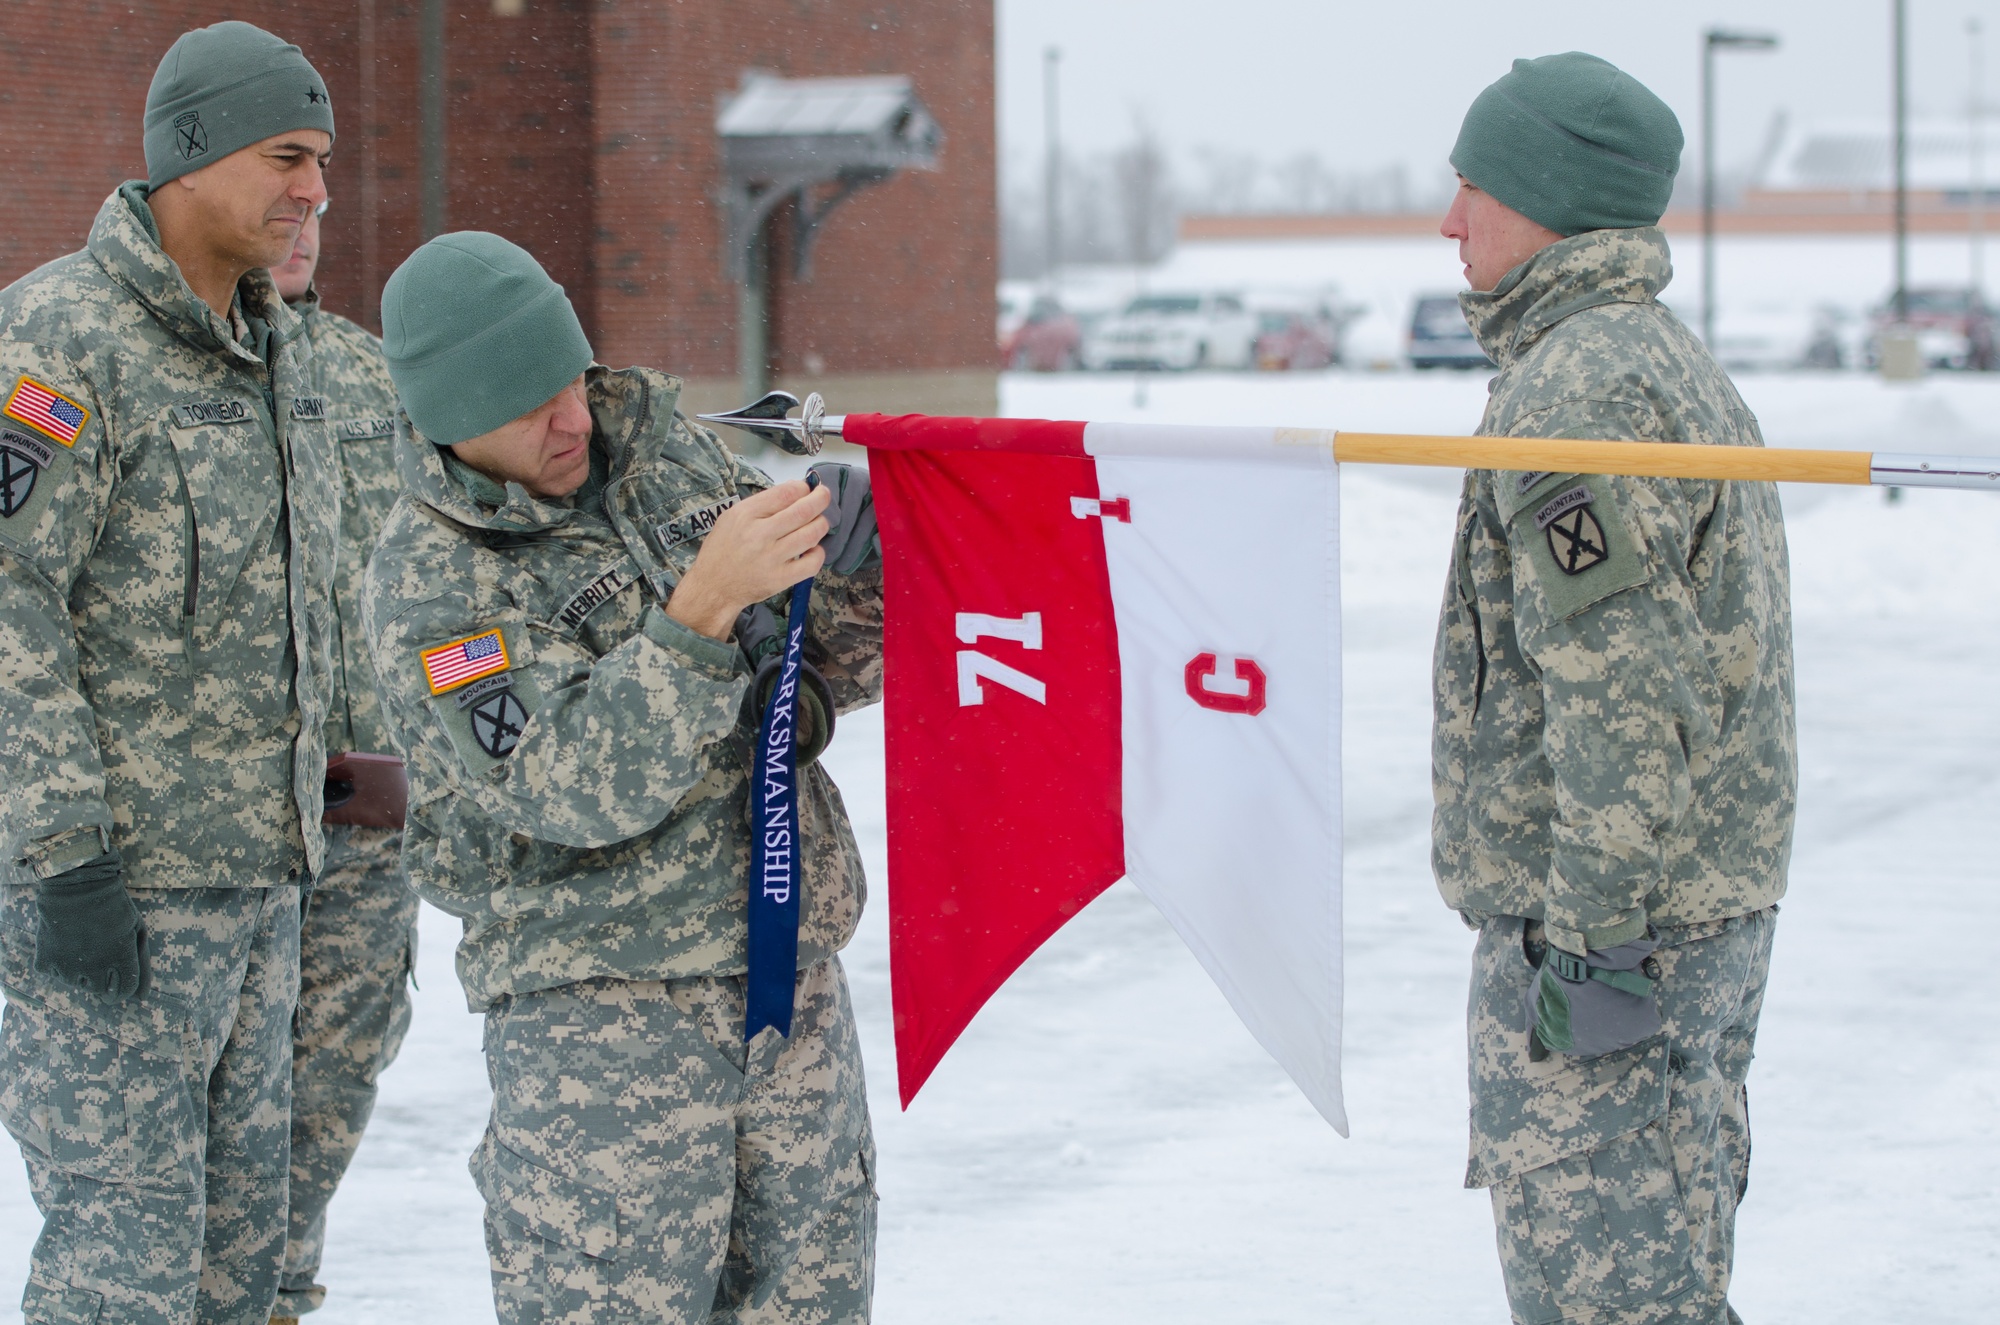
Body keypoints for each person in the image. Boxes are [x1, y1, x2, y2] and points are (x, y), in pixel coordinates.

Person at [361, 232, 884, 1324]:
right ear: (444, 420)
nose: (569, 422)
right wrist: (695, 613)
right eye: (524, 407)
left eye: (570, 382)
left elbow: (811, 675)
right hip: (603, 1027)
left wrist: (860, 571)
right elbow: (562, 784)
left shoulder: (666, 456)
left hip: (785, 976)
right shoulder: (429, 581)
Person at [1430, 53, 1795, 1325]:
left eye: (1469, 186)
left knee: (1618, 1303)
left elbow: (1620, 690)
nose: (1448, 218)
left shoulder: (1575, 387)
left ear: (1541, 199)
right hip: (1685, 918)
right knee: (1668, 1279)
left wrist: (1589, 947)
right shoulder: (1646, 358)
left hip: (1614, 938)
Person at [0, 21, 341, 1325]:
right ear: (192, 156)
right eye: (288, 156)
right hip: (118, 896)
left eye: (323, 160)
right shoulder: (59, 341)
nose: (314, 189)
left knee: (237, 1261)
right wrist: (69, 855)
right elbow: (10, 598)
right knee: (119, 1270)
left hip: (262, 887)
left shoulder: (281, 350)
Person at [265, 201, 420, 1324]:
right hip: (207, 824)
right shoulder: (123, 365)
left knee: (330, 1073)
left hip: (362, 819)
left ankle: (274, 1292)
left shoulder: (376, 379)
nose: (304, 222)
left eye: (322, 203)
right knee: (200, 1103)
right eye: (280, 191)